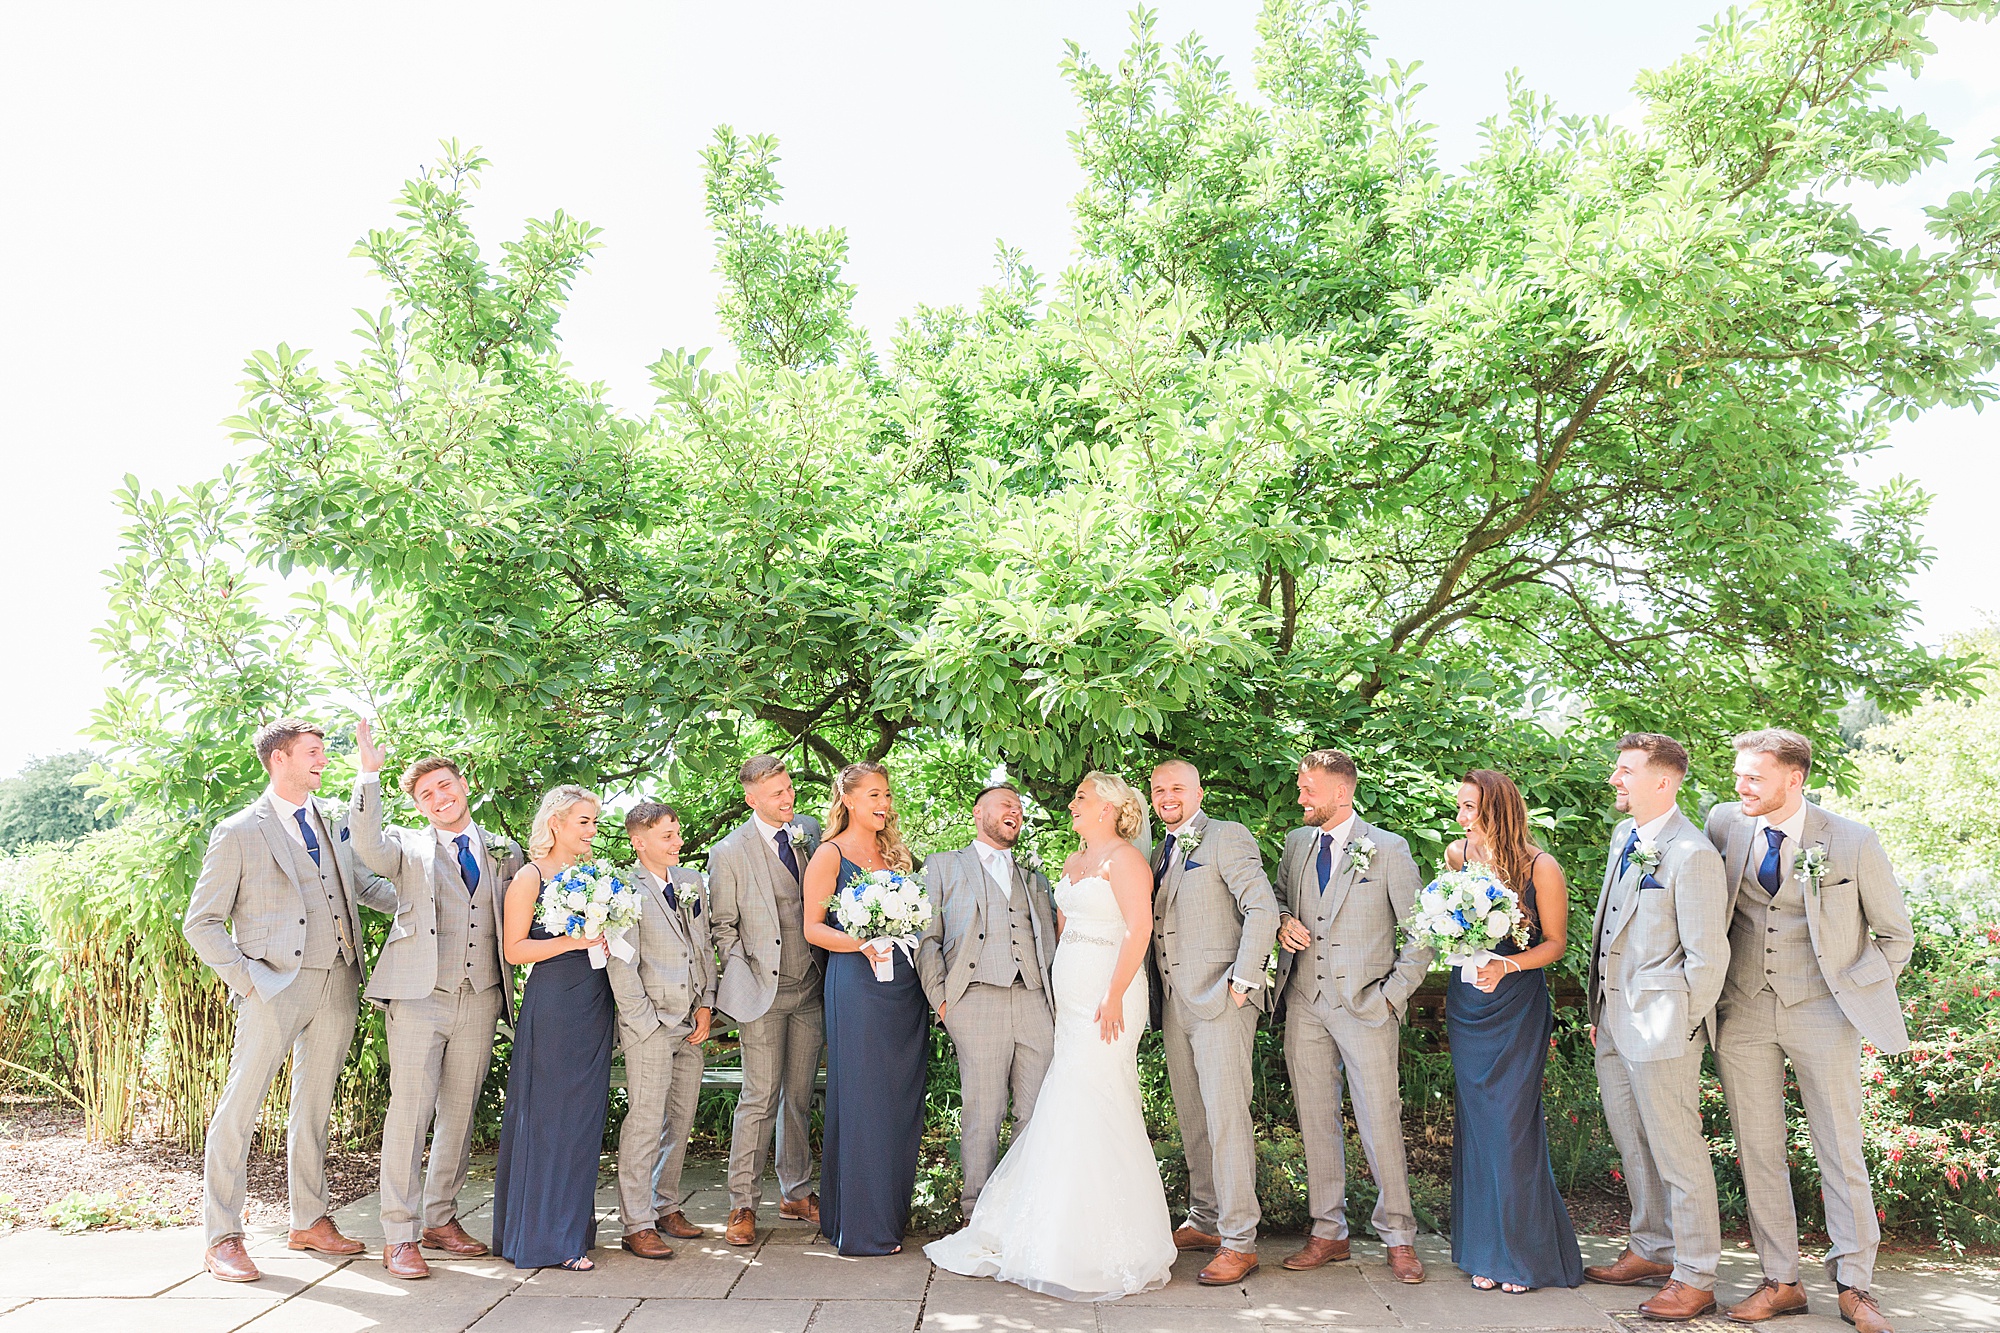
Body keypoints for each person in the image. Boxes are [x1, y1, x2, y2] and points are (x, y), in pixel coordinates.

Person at [926, 772, 1176, 1301]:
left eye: (1081, 799)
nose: (1072, 806)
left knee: (1099, 1100)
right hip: (1069, 1003)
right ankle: (1053, 1227)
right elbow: (1061, 933)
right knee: (1064, 1103)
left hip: (1110, 998)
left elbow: (1138, 930)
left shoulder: (1126, 861)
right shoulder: (1071, 863)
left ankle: (1102, 1240)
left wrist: (1112, 994)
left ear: (1107, 808)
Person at [1707, 730, 1913, 1333]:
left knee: (1840, 1149)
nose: (1740, 787)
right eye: (1739, 774)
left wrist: (1851, 989)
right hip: (1742, 1010)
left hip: (1824, 1012)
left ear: (1793, 779)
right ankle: (1782, 1281)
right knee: (1758, 1152)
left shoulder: (1851, 840)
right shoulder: (1724, 823)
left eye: (1754, 777)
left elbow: (1896, 936)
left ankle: (1856, 1285)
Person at [184, 718, 397, 1284]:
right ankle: (223, 1236)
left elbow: (366, 888)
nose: (322, 761)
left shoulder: (328, 819)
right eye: (312, 753)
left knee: (315, 1105)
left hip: (339, 977)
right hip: (271, 985)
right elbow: (201, 922)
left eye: (323, 753)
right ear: (279, 758)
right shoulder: (238, 831)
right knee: (241, 1106)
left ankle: (309, 1220)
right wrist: (246, 979)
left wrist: (428, 903)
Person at [347, 720, 525, 1279]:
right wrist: (368, 776)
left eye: (445, 786)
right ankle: (398, 1234)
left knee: (459, 1111)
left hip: (481, 997)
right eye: (427, 795)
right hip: (419, 995)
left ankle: (440, 1218)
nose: (440, 798)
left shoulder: (505, 850)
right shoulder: (406, 847)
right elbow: (366, 845)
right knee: (411, 1111)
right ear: (420, 806)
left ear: (463, 784)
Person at [1583, 733, 1729, 1320]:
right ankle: (1651, 1248)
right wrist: (1601, 1010)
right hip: (1614, 1020)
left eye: (1626, 771)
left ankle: (1697, 1275)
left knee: (1678, 1153)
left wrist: (1680, 1026)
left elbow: (1707, 958)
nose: (1615, 780)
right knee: (1633, 1140)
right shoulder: (1626, 836)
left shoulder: (1693, 855)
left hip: (1663, 1027)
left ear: (1662, 781)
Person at [1272, 749, 1431, 1285]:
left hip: (1367, 1007)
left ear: (1341, 792)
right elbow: (1275, 896)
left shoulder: (1388, 849)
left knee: (1379, 1120)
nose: (1300, 797)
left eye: (1308, 789)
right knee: (1315, 1119)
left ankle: (1399, 1236)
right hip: (1305, 1003)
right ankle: (1328, 1232)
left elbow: (1421, 931)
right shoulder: (1297, 844)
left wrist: (1392, 996)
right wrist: (1281, 920)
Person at [1442, 769, 1583, 1293]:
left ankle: (1523, 1257)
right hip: (1468, 1001)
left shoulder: (1541, 866)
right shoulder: (1458, 855)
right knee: (1478, 1125)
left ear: (1498, 810)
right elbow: (1455, 925)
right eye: (1459, 808)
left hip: (1516, 1001)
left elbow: (1555, 944)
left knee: (1511, 1125)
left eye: (1470, 808)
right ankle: (1483, 1250)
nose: (1461, 819)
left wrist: (1508, 966)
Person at [1146, 759, 1282, 1286]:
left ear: (1199, 791)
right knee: (1194, 1118)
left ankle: (1240, 1240)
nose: (1167, 797)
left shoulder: (1227, 837)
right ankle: (1204, 1218)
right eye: (1159, 790)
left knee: (1227, 1119)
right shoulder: (1160, 852)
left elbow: (1262, 909)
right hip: (1175, 1005)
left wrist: (1244, 981)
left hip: (1223, 1000)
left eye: (1177, 787)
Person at [803, 762, 930, 1255]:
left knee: (899, 1099)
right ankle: (859, 1227)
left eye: (887, 794)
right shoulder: (829, 855)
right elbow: (812, 928)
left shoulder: (896, 855)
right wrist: (860, 944)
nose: (884, 803)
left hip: (904, 987)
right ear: (849, 799)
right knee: (862, 1098)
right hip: (857, 984)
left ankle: (888, 1217)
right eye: (874, 794)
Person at [916, 783, 1057, 1220]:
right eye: (1005, 804)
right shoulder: (942, 866)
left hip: (1035, 999)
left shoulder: (1034, 875)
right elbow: (926, 937)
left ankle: (1023, 1209)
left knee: (1037, 1110)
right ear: (979, 813)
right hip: (973, 1000)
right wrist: (942, 1001)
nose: (1015, 810)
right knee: (984, 1110)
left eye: (1019, 805)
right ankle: (976, 1210)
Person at [490, 785, 616, 1271]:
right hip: (555, 1005)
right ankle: (546, 1238)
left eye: (594, 822)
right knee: (551, 1118)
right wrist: (569, 941)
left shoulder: (593, 876)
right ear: (557, 823)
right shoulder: (530, 875)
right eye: (584, 821)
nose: (592, 830)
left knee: (583, 1119)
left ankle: (570, 1229)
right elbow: (515, 949)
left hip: (594, 1000)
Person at [708, 755, 825, 1246]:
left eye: (789, 787)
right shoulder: (729, 851)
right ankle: (742, 1205)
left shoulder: (809, 831)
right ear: (751, 798)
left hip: (811, 986)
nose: (788, 798)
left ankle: (795, 1192)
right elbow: (723, 927)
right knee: (759, 1099)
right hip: (762, 992)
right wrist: (746, 977)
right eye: (776, 793)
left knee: (798, 1097)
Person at [607, 802, 717, 1260]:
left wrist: (707, 1005)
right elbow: (620, 962)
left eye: (677, 833)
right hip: (649, 1024)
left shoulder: (690, 883)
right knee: (646, 1122)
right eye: (667, 836)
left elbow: (704, 945)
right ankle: (636, 1223)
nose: (678, 842)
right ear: (640, 842)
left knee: (681, 1119)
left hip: (691, 1020)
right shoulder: (620, 889)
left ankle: (666, 1204)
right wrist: (644, 1023)